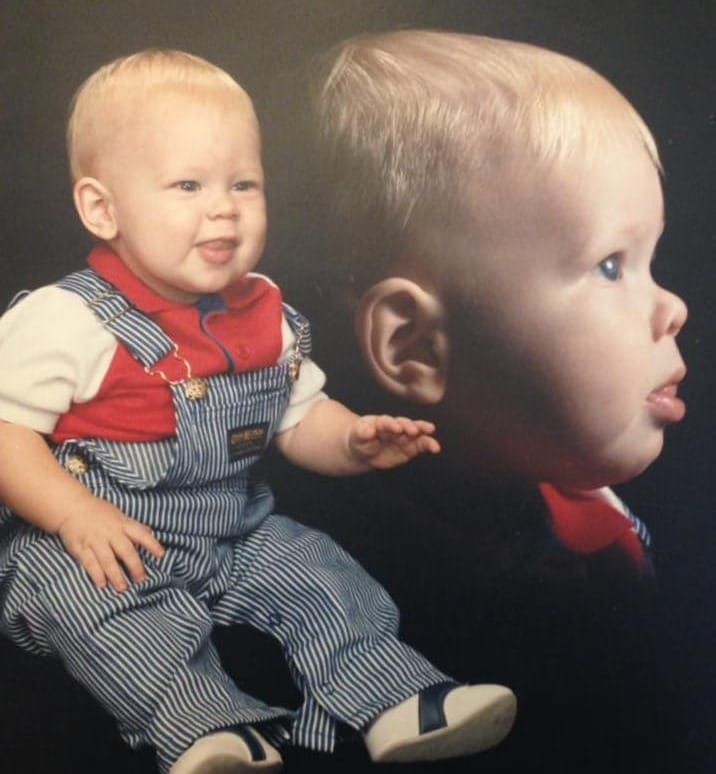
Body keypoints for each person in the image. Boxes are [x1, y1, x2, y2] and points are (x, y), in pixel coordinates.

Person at [0, 49, 518, 774]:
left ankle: (398, 700)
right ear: (102, 207)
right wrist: (71, 515)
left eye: (244, 183)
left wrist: (354, 441)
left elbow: (299, 421)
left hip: (232, 528)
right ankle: (205, 728)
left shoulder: (265, 315)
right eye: (188, 185)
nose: (224, 207)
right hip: (98, 541)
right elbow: (5, 434)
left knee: (319, 572)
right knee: (104, 615)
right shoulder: (68, 319)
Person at [263, 29, 689, 772]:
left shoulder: (562, 499)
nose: (673, 307)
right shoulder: (401, 622)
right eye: (613, 265)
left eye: (650, 259)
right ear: (415, 348)